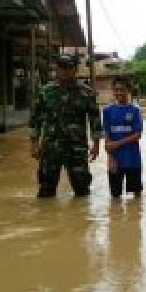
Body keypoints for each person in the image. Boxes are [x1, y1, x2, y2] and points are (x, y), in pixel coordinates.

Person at [28, 54, 102, 198]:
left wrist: (96, 145)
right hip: (50, 148)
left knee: (82, 191)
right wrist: (34, 144)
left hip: (77, 149)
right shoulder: (45, 92)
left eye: (69, 67)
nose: (64, 71)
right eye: (61, 67)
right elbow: (35, 120)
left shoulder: (87, 93)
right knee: (46, 191)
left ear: (75, 69)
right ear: (57, 68)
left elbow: (95, 120)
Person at [102, 76, 143, 198]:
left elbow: (137, 135)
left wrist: (117, 143)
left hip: (133, 159)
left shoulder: (135, 110)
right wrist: (111, 158)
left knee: (136, 198)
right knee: (115, 197)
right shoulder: (107, 111)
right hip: (115, 160)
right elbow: (107, 137)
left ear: (128, 90)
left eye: (122, 89)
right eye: (116, 90)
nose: (118, 92)